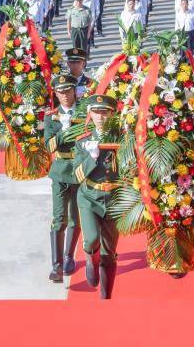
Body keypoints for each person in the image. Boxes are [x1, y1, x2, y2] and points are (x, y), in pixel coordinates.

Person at [73, 94, 121, 299]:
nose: (100, 117)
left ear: (112, 114)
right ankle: (91, 260)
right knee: (92, 239)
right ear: (89, 114)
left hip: (114, 198)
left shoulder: (121, 138)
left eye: (105, 112)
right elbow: (77, 176)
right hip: (90, 196)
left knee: (109, 252)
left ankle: (106, 296)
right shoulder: (83, 141)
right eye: (96, 112)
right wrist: (91, 158)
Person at [44, 74, 82, 283]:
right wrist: (63, 131)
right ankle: (56, 265)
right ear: (56, 94)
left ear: (74, 90)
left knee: (76, 218)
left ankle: (69, 256)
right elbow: (49, 146)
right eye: (61, 92)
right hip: (60, 171)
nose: (65, 95)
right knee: (59, 218)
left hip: (80, 170)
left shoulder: (84, 112)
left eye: (68, 90)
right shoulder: (51, 117)